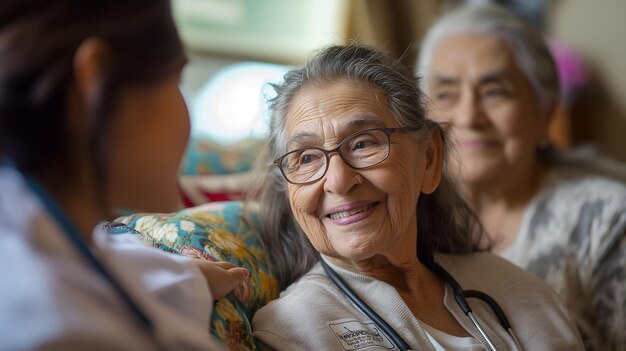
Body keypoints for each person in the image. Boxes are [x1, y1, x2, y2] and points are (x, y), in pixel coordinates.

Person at [249, 44, 583, 350]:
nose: (337, 181)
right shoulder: (293, 331)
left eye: (364, 143)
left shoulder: (521, 292)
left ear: (428, 159)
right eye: (306, 158)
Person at [0, 1, 248, 350]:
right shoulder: (61, 333)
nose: (187, 121)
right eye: (176, 79)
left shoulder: (36, 221)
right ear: (96, 78)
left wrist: (184, 276)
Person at [416, 3, 626, 350]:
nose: (468, 116)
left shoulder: (607, 219)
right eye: (446, 93)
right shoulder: (406, 224)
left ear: (545, 112)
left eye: (495, 91)